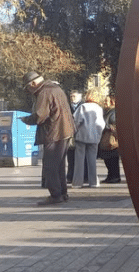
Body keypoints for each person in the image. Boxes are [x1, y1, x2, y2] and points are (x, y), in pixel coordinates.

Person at [20, 71, 75, 206]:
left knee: (50, 166)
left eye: (28, 88)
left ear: (33, 84)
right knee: (59, 165)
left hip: (54, 132)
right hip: (65, 130)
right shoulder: (55, 88)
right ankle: (62, 193)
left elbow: (40, 116)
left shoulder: (44, 92)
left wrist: (26, 119)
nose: (29, 91)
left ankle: (56, 195)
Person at [71, 88, 105, 188]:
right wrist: (98, 134)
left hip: (82, 135)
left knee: (79, 161)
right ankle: (93, 182)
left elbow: (77, 120)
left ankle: (77, 183)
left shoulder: (83, 107)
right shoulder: (99, 108)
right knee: (92, 160)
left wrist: (74, 131)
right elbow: (101, 123)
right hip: (94, 136)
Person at [99, 94, 121, 184]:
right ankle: (111, 176)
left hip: (111, 138)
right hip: (108, 138)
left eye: (106, 101)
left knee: (112, 159)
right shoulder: (107, 111)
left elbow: (113, 124)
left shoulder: (113, 112)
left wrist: (107, 127)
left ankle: (114, 176)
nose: (104, 103)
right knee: (109, 159)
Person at [66, 90, 87, 184]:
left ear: (80, 97)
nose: (72, 98)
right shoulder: (67, 106)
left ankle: (85, 176)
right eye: (71, 96)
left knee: (83, 157)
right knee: (71, 157)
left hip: (82, 134)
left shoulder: (83, 106)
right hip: (71, 135)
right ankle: (70, 176)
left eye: (74, 96)